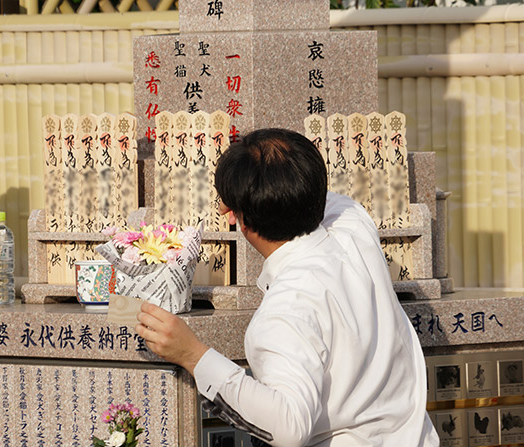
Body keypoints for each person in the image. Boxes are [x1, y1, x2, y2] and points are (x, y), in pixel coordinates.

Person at [135, 128, 439, 446]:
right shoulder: (353, 226)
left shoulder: (286, 310)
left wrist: (194, 356)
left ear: (240, 221)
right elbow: (322, 197)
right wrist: (244, 196)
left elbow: (289, 428)